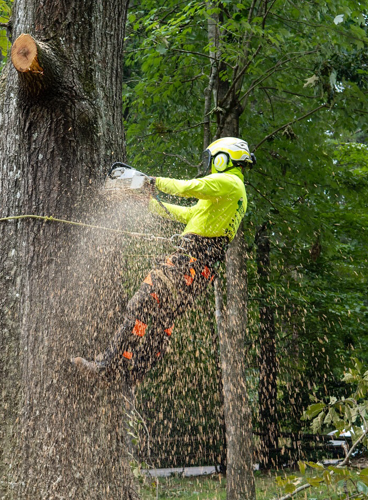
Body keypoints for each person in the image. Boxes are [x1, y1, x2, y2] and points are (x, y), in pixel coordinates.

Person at [72, 137, 254, 384]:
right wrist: (149, 204)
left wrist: (151, 182)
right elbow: (189, 214)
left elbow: (188, 187)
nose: (211, 165)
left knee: (143, 302)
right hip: (198, 270)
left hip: (188, 263)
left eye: (213, 159)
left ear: (223, 158)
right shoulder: (231, 193)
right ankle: (134, 374)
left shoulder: (229, 181)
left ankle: (108, 366)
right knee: (160, 318)